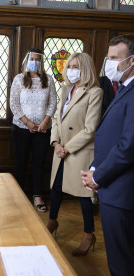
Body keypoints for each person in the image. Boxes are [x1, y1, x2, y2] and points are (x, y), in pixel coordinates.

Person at [81, 34, 134, 275]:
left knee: (122, 263)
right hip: (114, 188)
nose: (109, 63)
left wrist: (98, 176)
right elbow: (110, 136)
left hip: (122, 193)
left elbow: (128, 146)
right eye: (108, 57)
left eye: (115, 58)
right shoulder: (124, 88)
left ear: (132, 61)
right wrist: (94, 168)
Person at [47, 52, 103, 256]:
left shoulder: (94, 92)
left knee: (83, 196)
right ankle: (52, 222)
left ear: (85, 68)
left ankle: (89, 234)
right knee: (56, 189)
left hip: (77, 151)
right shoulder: (66, 89)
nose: (71, 70)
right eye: (69, 66)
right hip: (60, 149)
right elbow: (56, 119)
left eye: (75, 66)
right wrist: (55, 143)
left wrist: (67, 148)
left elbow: (90, 129)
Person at [10, 48, 57, 212]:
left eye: (38, 59)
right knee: (20, 163)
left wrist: (45, 122)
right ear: (26, 61)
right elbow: (14, 103)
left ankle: (37, 196)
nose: (35, 62)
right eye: (33, 59)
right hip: (22, 128)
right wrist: (27, 122)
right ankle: (18, 196)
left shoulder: (49, 80)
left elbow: (52, 103)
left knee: (39, 163)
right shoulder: (19, 79)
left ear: (41, 62)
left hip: (43, 129)